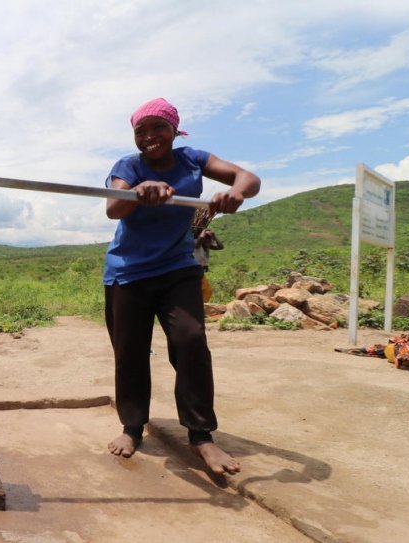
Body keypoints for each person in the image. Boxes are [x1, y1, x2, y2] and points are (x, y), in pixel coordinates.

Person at [102, 97, 260, 476]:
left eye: (159, 128)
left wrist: (235, 192)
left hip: (178, 268)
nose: (149, 136)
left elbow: (249, 179)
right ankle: (132, 428)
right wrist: (140, 190)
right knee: (130, 352)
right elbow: (113, 207)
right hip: (127, 273)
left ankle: (202, 435)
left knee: (190, 342)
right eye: (141, 130)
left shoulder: (194, 159)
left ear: (175, 131)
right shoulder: (129, 166)